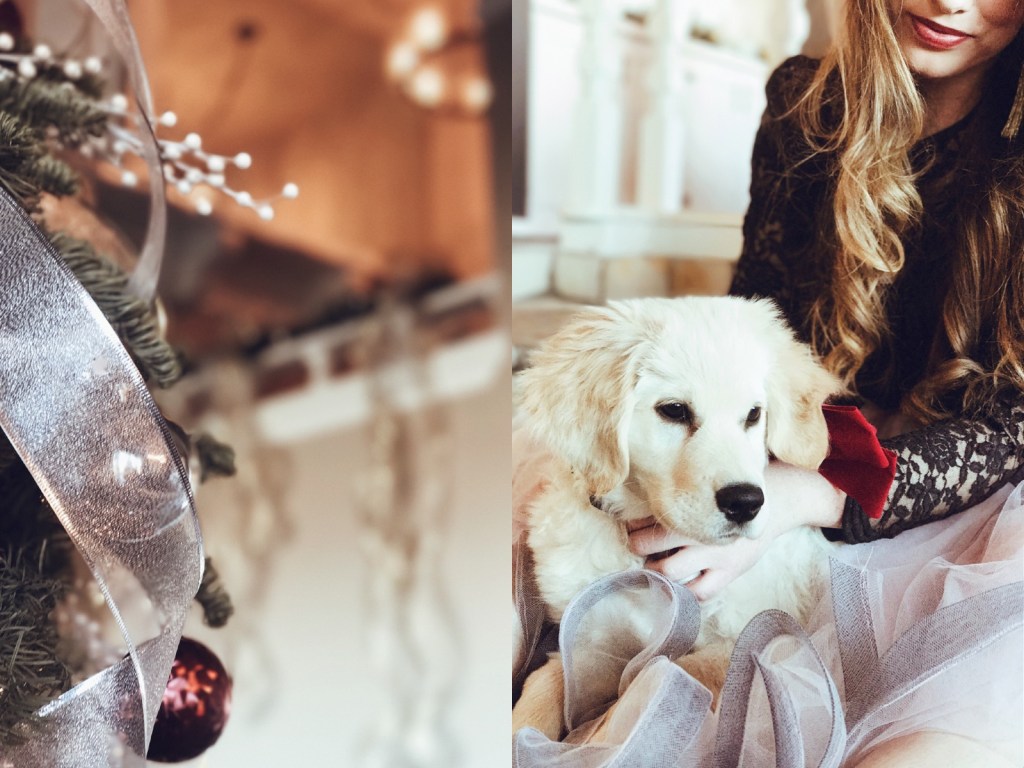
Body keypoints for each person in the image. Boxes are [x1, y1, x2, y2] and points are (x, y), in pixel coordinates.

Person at [514, 1, 1023, 765]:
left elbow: (1017, 424)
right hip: (804, 431)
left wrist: (809, 497)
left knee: (941, 708)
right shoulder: (802, 105)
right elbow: (760, 312)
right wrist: (762, 453)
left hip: (973, 485)